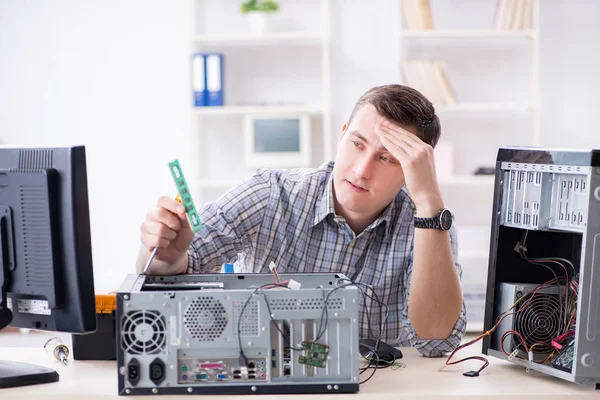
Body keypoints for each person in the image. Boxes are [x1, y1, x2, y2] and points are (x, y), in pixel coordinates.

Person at [137, 84, 466, 357]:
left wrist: (428, 202)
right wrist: (167, 256)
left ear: (413, 168)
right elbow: (157, 285)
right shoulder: (271, 194)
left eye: (386, 158)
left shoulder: (430, 223)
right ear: (341, 136)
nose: (361, 170)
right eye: (356, 144)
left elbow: (437, 340)